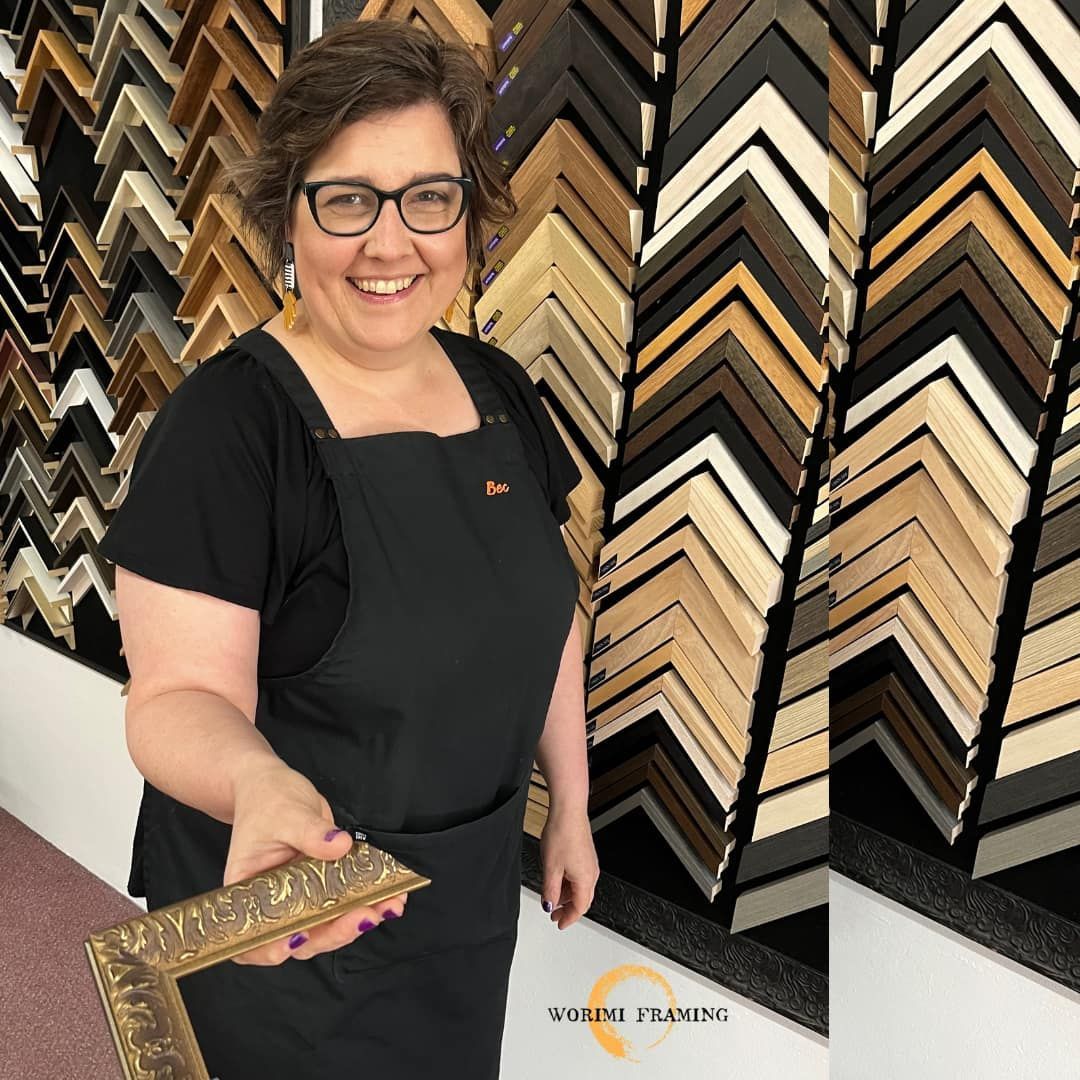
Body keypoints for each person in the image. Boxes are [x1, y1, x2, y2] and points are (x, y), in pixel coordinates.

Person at [99, 18, 599, 1079]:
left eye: (428, 197)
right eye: (346, 200)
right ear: (289, 217)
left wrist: (572, 807)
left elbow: (544, 614)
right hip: (286, 927)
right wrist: (258, 785)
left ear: (468, 216)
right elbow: (176, 698)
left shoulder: (500, 394)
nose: (390, 243)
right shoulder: (229, 429)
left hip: (458, 903)